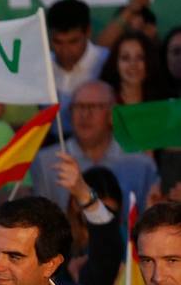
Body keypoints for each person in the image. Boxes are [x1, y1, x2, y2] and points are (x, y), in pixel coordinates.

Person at [26, 80, 157, 211]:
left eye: (94, 107)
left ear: (112, 114)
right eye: (79, 106)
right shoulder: (46, 162)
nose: (85, 115)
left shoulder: (139, 163)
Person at [47, 0, 108, 113]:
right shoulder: (41, 65)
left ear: (88, 32)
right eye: (58, 42)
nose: (65, 51)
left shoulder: (107, 62)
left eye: (73, 42)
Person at [100, 31, 169, 107]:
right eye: (125, 58)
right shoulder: (104, 104)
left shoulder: (163, 104)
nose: (133, 64)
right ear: (115, 63)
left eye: (140, 57)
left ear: (150, 61)